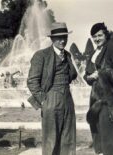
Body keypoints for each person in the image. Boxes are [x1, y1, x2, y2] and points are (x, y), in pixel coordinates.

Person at [27, 22, 77, 155]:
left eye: (65, 37)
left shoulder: (67, 55)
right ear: (52, 39)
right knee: (50, 140)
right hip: (50, 98)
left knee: (69, 138)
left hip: (67, 98)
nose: (62, 40)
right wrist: (43, 100)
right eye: (59, 37)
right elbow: (32, 81)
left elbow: (72, 75)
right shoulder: (41, 55)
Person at [83, 22, 113, 155]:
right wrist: (89, 77)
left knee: (111, 138)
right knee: (98, 134)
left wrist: (103, 74)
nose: (97, 39)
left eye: (99, 35)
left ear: (105, 34)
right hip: (95, 100)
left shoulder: (111, 47)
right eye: (94, 37)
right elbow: (87, 76)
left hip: (110, 100)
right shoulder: (94, 52)